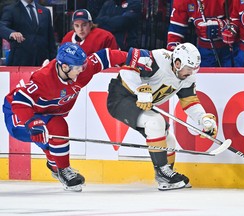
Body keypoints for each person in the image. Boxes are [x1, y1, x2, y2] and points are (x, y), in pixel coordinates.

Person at [2, 42, 127, 192]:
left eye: (83, 65)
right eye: (77, 67)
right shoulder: (43, 78)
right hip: (19, 114)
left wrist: (137, 56)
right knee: (57, 127)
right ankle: (63, 171)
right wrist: (33, 123)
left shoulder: (82, 69)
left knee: (54, 137)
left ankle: (56, 166)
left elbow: (106, 56)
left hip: (44, 112)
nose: (82, 70)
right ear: (65, 67)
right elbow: (20, 102)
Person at [107, 43, 218, 191]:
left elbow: (189, 102)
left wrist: (203, 118)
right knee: (156, 122)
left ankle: (167, 175)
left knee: (169, 139)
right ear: (177, 63)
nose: (191, 73)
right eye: (189, 69)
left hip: (141, 103)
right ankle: (162, 172)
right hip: (120, 98)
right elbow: (128, 69)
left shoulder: (187, 77)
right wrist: (140, 91)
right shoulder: (159, 59)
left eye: (194, 69)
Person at [167, 0, 236, 67]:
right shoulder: (182, 1)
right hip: (204, 51)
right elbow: (176, 30)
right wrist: (172, 52)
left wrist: (223, 25)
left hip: (229, 49)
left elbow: (237, 18)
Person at [0, 0, 56, 66]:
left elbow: (50, 39)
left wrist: (53, 61)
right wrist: (11, 33)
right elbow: (2, 27)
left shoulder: (45, 11)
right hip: (20, 62)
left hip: (42, 62)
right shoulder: (11, 10)